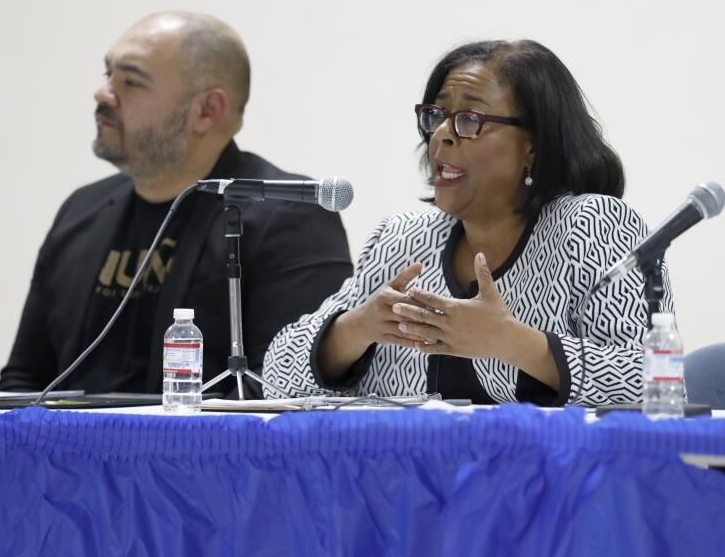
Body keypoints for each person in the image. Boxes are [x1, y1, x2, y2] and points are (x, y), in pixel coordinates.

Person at [264, 40, 669, 406]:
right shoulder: (402, 239)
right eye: (438, 115)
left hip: (553, 481)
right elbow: (277, 377)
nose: (442, 134)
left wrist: (512, 342)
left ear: (533, 146)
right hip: (409, 479)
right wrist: (357, 328)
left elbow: (656, 383)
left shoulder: (591, 225)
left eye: (470, 120)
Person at [0, 12, 353, 394]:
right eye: (108, 76)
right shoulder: (81, 211)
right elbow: (25, 380)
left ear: (207, 111)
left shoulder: (290, 216)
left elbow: (287, 390)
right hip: (65, 451)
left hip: (197, 449)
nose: (102, 94)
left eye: (131, 82)